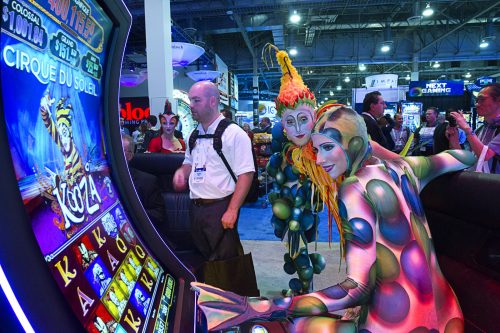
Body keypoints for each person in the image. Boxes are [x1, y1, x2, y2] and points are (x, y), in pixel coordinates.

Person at [191, 106, 475, 332]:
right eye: (317, 149)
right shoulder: (407, 167)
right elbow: (464, 156)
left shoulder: (354, 188)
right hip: (450, 317)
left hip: (397, 326)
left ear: (353, 144)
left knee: (295, 324)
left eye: (328, 147)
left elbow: (356, 288)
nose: (318, 159)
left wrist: (259, 307)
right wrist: (385, 153)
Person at [173, 81, 254, 263]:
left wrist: (232, 210)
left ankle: (230, 292)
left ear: (212, 101)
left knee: (226, 263)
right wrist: (182, 172)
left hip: (221, 208)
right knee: (203, 260)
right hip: (195, 208)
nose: (191, 106)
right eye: (190, 100)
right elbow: (189, 162)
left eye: (196, 100)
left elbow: (246, 174)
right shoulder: (193, 134)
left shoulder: (234, 134)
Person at [451, 83, 500, 174]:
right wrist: (454, 138)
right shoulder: (481, 129)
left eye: (482, 100)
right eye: (477, 100)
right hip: (478, 182)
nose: (477, 104)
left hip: (494, 185)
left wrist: (467, 129)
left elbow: (485, 155)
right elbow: (469, 158)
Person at [121, 134, 166, 226]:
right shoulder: (102, 179)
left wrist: (131, 214)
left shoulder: (147, 181)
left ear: (130, 155)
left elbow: (159, 214)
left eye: (121, 150)